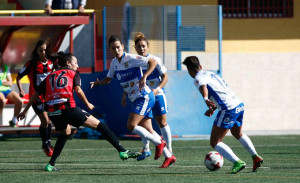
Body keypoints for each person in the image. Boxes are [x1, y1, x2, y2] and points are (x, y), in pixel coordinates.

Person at [17, 52, 141, 172]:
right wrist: (88, 104)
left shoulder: (50, 75)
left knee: (66, 132)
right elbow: (79, 90)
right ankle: (122, 150)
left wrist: (25, 110)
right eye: (75, 62)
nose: (77, 66)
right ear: (68, 63)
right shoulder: (72, 73)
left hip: (52, 112)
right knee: (100, 125)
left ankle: (51, 164)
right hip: (67, 108)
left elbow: (35, 94)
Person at [90, 35, 176, 168]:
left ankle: (160, 144)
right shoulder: (114, 63)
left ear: (123, 47)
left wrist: (145, 76)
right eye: (113, 48)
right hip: (136, 98)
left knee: (131, 125)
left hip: (145, 96)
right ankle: (169, 156)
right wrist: (98, 83)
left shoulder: (131, 58)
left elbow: (152, 62)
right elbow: (108, 79)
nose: (116, 50)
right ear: (110, 50)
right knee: (148, 129)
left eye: (118, 47)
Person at [182, 56, 264, 174]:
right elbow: (219, 92)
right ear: (200, 66)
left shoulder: (197, 78)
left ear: (189, 71)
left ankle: (237, 162)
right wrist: (213, 107)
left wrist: (205, 99)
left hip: (228, 108)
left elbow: (203, 87)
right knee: (237, 133)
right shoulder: (211, 74)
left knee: (215, 142)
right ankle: (255, 157)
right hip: (238, 104)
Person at [122, 32, 172, 161]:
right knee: (144, 124)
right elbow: (130, 80)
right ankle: (146, 150)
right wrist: (125, 93)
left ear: (147, 47)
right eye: (139, 46)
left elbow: (165, 77)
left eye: (143, 46)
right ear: (136, 48)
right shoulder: (134, 62)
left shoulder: (155, 60)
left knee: (162, 122)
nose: (141, 48)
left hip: (158, 94)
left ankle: (169, 150)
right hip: (142, 96)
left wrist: (157, 89)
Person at [16, 40, 57, 157]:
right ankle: (46, 144)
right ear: (37, 52)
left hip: (49, 97)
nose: (43, 53)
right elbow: (19, 77)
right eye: (41, 50)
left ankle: (47, 143)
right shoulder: (32, 64)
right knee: (44, 120)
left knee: (48, 121)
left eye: (45, 50)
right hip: (36, 97)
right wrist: (21, 90)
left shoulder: (52, 63)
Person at [0, 51, 23, 127]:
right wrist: (5, 81)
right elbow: (7, 81)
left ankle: (13, 120)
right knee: (2, 101)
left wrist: (2, 82)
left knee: (20, 101)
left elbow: (10, 83)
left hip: (6, 89)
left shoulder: (5, 68)